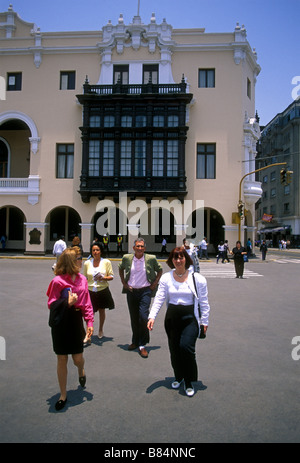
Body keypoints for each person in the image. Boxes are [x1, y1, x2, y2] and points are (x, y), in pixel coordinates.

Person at [147, 247, 210, 397]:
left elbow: (204, 302)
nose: (178, 260)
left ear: (186, 260)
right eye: (175, 258)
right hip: (172, 319)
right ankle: (179, 376)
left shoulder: (197, 279)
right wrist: (152, 316)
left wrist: (204, 322)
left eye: (181, 257)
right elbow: (159, 299)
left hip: (190, 318)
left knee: (186, 348)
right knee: (174, 350)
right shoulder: (166, 278)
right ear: (171, 260)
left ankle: (189, 381)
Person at [47, 248, 94, 411]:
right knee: (61, 359)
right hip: (61, 323)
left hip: (75, 321)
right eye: (79, 258)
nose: (81, 261)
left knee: (77, 358)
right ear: (71, 262)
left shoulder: (82, 280)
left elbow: (87, 303)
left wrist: (89, 323)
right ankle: (63, 395)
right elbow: (51, 304)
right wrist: (66, 302)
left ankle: (81, 370)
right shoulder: (57, 281)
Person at [119, 237, 162, 358]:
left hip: (145, 291)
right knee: (134, 318)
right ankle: (135, 341)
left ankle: (142, 344)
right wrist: (124, 283)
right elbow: (120, 268)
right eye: (137, 246)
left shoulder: (150, 259)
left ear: (145, 248)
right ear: (133, 248)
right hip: (131, 291)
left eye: (142, 246)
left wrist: (154, 284)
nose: (140, 248)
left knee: (143, 316)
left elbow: (160, 270)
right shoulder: (127, 258)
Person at [82, 242, 114, 342]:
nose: (95, 252)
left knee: (101, 311)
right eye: (93, 250)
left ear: (101, 251)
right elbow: (85, 278)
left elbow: (111, 276)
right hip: (90, 290)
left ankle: (100, 329)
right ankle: (88, 333)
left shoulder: (106, 262)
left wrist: (103, 278)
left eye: (97, 250)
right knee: (90, 313)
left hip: (102, 289)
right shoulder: (87, 263)